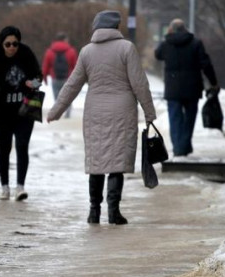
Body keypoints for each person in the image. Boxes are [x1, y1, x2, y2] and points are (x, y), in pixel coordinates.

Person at [47, 10, 156, 225]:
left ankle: (93, 211)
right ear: (116, 27)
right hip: (122, 110)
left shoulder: (87, 52)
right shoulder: (127, 48)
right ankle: (114, 212)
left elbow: (72, 85)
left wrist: (55, 111)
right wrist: (149, 112)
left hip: (95, 111)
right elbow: (139, 84)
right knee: (117, 162)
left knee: (97, 162)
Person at [0, 26, 42, 201]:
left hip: (24, 111)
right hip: (1, 111)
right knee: (4, 149)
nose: (12, 47)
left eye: (15, 43)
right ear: (2, 44)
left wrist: (33, 83)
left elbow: (39, 77)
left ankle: (20, 187)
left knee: (22, 146)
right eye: (8, 44)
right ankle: (4, 187)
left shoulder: (27, 54)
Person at [155, 18, 218, 157]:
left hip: (173, 88)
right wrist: (213, 82)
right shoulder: (196, 43)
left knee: (175, 118)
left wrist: (167, 37)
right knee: (189, 118)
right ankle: (183, 147)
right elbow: (205, 64)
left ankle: (179, 147)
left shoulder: (167, 44)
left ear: (171, 29)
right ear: (185, 29)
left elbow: (157, 54)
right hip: (192, 87)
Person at [42, 31, 78, 118]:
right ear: (65, 40)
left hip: (55, 78)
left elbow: (45, 66)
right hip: (68, 78)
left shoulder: (49, 51)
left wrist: (45, 78)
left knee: (57, 97)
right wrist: (76, 79)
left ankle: (58, 112)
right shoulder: (71, 51)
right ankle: (67, 113)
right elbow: (76, 67)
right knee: (68, 96)